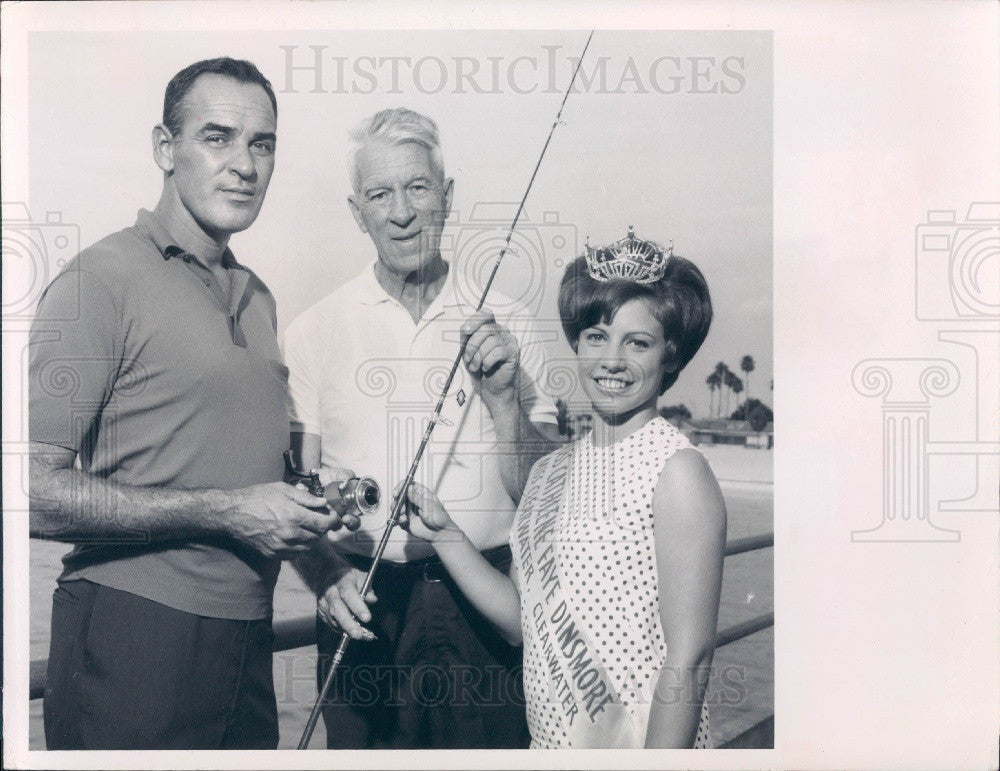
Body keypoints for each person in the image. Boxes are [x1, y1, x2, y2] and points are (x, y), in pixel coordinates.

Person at [28, 57, 344, 750]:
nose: (244, 165)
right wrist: (225, 512)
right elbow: (29, 492)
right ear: (164, 149)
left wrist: (325, 569)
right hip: (132, 635)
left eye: (262, 144)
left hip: (248, 642)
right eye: (218, 137)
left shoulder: (258, 296)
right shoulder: (99, 280)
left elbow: (261, 481)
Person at [283, 107, 561, 748]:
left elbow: (546, 495)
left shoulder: (511, 321)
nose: (401, 211)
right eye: (380, 194)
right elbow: (292, 491)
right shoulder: (312, 329)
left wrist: (503, 401)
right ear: (358, 212)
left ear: (448, 196)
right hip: (365, 605)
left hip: (486, 606)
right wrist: (326, 576)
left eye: (418, 187)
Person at [396, 230, 726, 748]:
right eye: (597, 336)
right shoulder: (552, 471)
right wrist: (444, 534)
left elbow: (690, 659)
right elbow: (524, 624)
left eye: (637, 342)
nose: (611, 359)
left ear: (671, 356)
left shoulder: (676, 470)